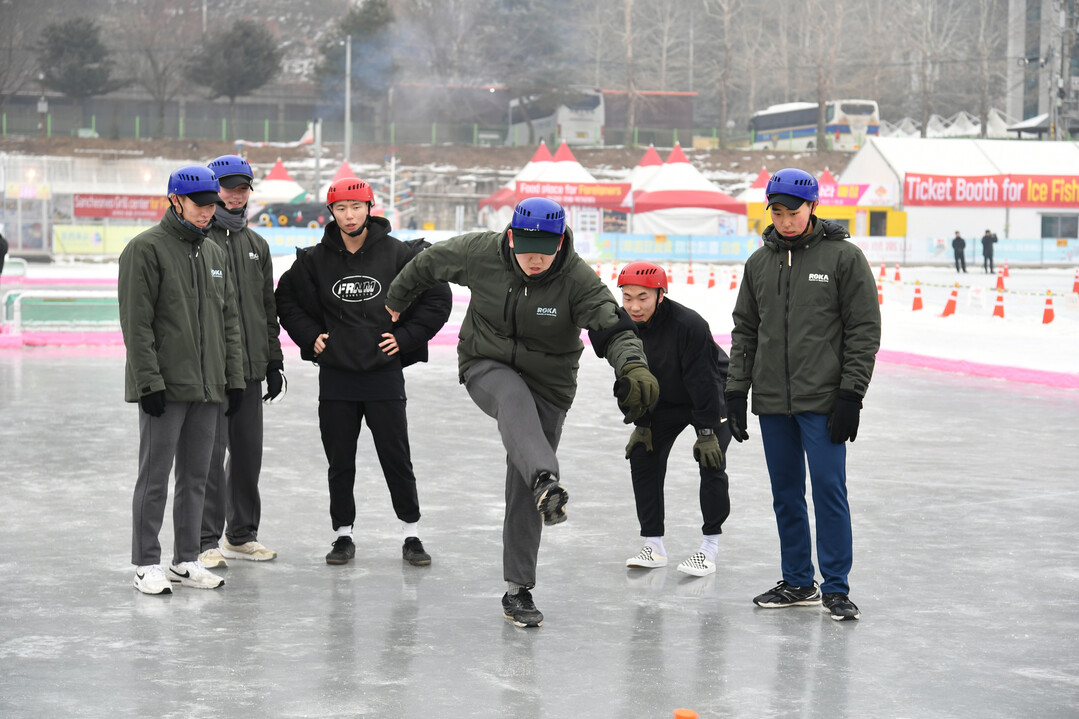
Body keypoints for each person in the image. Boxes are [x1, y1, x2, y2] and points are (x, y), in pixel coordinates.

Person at [384, 196, 660, 628]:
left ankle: (519, 589)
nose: (536, 259)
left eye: (545, 251)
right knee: (513, 401)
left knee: (524, 483)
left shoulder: (577, 279)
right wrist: (397, 299)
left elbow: (612, 324)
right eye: (527, 248)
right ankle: (546, 478)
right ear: (510, 237)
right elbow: (429, 262)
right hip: (485, 364)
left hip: (550, 386)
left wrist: (633, 364)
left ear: (561, 242)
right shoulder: (481, 252)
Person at [726, 168, 880, 621]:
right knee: (786, 494)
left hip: (824, 401)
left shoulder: (843, 258)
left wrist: (851, 394)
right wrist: (736, 390)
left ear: (812, 208)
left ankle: (835, 587)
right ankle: (797, 581)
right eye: (777, 211)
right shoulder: (759, 263)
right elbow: (745, 331)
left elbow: (863, 330)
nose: (785, 220)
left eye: (793, 212)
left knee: (829, 490)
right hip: (773, 401)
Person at [275, 177, 451, 568]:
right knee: (340, 461)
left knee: (396, 456)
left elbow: (438, 296)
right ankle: (343, 535)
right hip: (337, 376)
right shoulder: (315, 260)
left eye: (356, 207)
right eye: (341, 209)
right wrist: (310, 337)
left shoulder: (397, 254)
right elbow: (285, 299)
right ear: (332, 213)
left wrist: (405, 339)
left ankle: (411, 533)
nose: (349, 216)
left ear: (370, 208)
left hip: (383, 375)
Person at [119, 165, 244, 595]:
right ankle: (145, 563)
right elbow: (137, 325)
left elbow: (227, 321)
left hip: (209, 387)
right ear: (175, 200)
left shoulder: (213, 253)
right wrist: (148, 382)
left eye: (212, 205)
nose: (208, 213)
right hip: (166, 388)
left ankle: (186, 559)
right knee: (155, 476)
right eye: (200, 205)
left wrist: (235, 377)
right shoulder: (145, 249)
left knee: (197, 476)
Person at [197, 154, 284, 569]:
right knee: (209, 457)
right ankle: (205, 539)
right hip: (212, 371)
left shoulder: (257, 245)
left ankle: (241, 534)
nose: (237, 195)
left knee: (248, 455)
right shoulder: (199, 239)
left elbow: (267, 308)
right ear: (213, 188)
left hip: (249, 369)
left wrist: (273, 361)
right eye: (229, 187)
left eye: (243, 188)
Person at [619, 261, 732, 578]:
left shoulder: (689, 324)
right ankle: (653, 545)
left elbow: (703, 379)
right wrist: (642, 423)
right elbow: (633, 383)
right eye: (627, 297)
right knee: (643, 456)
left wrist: (707, 431)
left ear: (660, 294)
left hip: (713, 393)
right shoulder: (625, 326)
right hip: (667, 399)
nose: (634, 306)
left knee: (711, 460)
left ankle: (709, 548)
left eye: (642, 297)